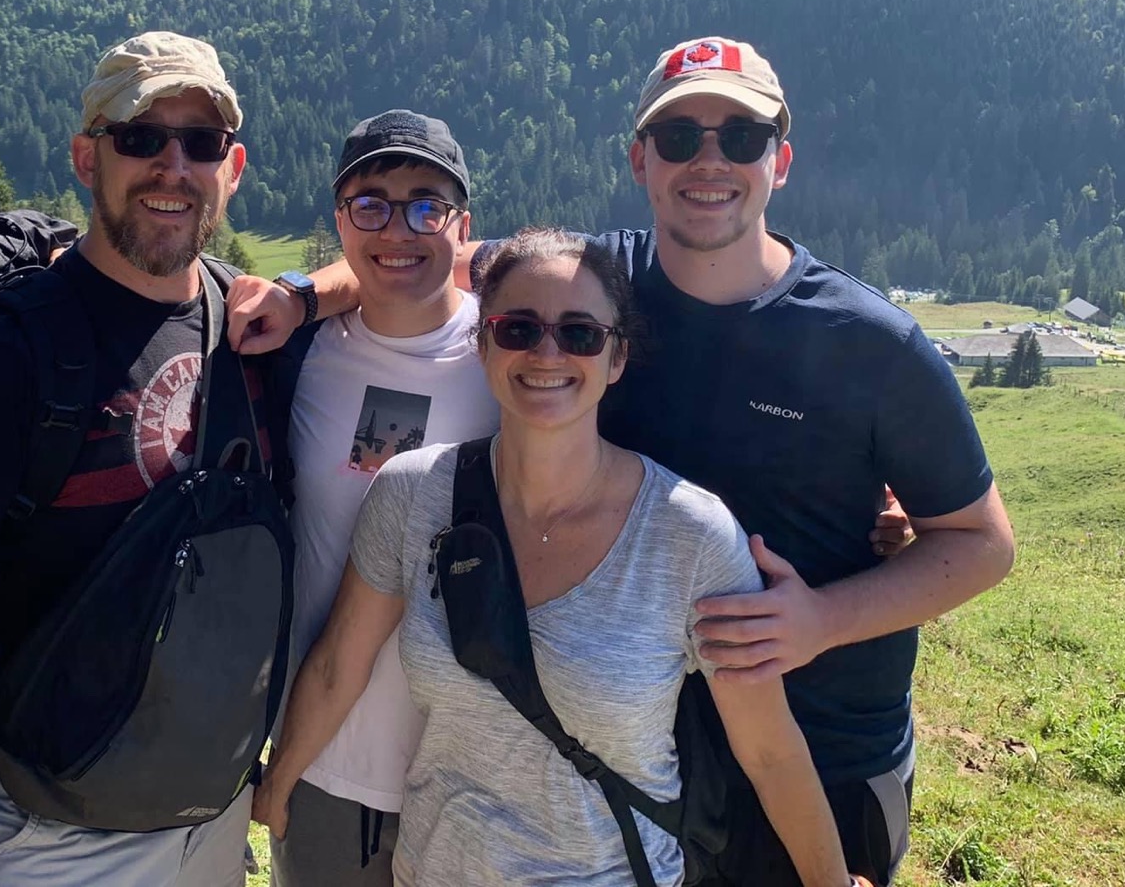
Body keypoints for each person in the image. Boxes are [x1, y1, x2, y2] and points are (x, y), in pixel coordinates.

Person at [229, 36, 1015, 885]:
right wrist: (300, 295)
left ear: (780, 160)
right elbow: (422, 259)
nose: (708, 160)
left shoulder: (868, 342)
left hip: (814, 745)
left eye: (740, 137)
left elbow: (984, 544)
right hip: (626, 751)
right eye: (678, 137)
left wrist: (821, 619)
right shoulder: (598, 280)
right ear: (642, 159)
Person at [254, 228, 868, 887]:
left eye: (580, 334)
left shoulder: (690, 536)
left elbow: (770, 753)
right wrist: (276, 786)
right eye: (518, 329)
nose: (547, 353)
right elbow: (338, 662)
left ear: (617, 357)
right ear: (483, 343)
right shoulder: (413, 494)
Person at [0, 31, 264, 887]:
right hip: (55, 840)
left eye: (200, 141)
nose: (173, 166)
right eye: (141, 137)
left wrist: (315, 290)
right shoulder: (12, 355)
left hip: (213, 816)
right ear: (86, 157)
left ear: (234, 166)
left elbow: (447, 279)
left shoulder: (249, 323)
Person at [263, 109, 499, 886]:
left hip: (477, 778)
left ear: (463, 227)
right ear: (340, 222)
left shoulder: (516, 357)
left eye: (428, 206)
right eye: (371, 205)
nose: (399, 229)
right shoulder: (293, 354)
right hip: (324, 764)